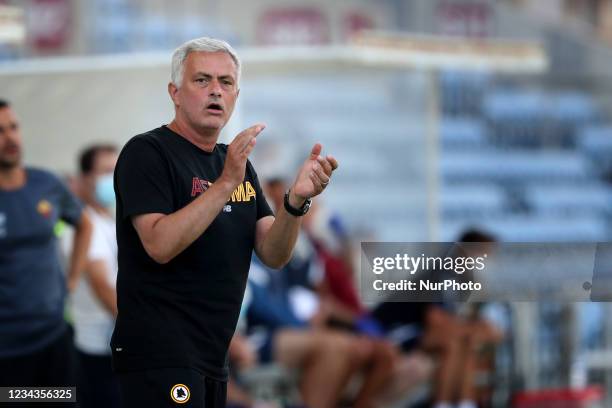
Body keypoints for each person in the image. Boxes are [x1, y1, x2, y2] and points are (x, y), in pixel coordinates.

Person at [111, 37, 338, 408]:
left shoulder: (234, 163)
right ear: (175, 92)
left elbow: (273, 252)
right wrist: (226, 183)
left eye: (226, 82)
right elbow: (159, 244)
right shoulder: (147, 152)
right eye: (202, 80)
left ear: (235, 94)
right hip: (159, 355)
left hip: (214, 356)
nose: (216, 90)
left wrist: (296, 203)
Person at [0, 99, 92, 391]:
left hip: (54, 337)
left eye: (13, 127)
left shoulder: (47, 184)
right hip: (7, 350)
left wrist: (73, 278)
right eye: (0, 131)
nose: (10, 137)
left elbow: (83, 223)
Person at [71, 144, 122, 407]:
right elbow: (102, 285)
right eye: (107, 171)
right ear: (86, 178)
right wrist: (143, 331)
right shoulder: (84, 224)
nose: (114, 179)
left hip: (115, 344)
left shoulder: (108, 221)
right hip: (99, 349)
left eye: (117, 170)